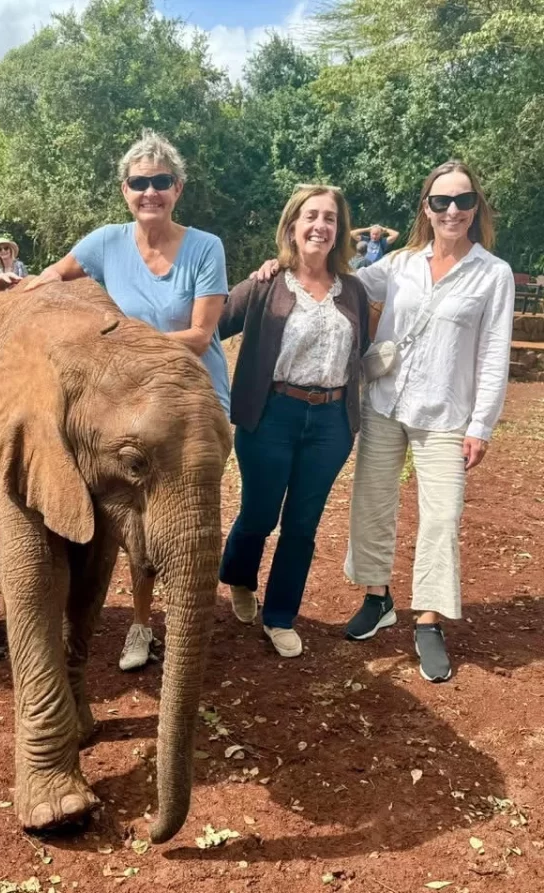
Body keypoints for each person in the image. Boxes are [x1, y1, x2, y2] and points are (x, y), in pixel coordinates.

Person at [254, 161, 514, 682]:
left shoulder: (494, 274)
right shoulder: (400, 265)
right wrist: (279, 267)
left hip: (446, 411)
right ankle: (378, 596)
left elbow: (494, 353)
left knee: (441, 517)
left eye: (463, 201)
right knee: (372, 504)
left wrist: (480, 425)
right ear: (427, 208)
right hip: (384, 402)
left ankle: (428, 619)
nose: (452, 211)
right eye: (441, 202)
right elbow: (333, 278)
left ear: (476, 208)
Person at [25, 128, 229, 671]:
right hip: (130, 406)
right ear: (125, 190)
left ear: (178, 188)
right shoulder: (105, 243)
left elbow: (201, 334)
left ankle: (187, 613)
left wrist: (117, 349)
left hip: (192, 402)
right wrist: (17, 294)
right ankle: (141, 622)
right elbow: (53, 276)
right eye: (140, 183)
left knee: (185, 517)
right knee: (137, 518)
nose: (150, 192)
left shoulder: (205, 247)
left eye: (161, 182)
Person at [218, 186, 370, 657]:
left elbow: (360, 351)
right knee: (259, 515)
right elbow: (209, 325)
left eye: (330, 218)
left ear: (339, 231)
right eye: (311, 216)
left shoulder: (355, 291)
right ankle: (240, 580)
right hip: (271, 416)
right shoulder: (266, 283)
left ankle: (280, 615)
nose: (320, 225)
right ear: (292, 225)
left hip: (331, 423)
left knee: (302, 525)